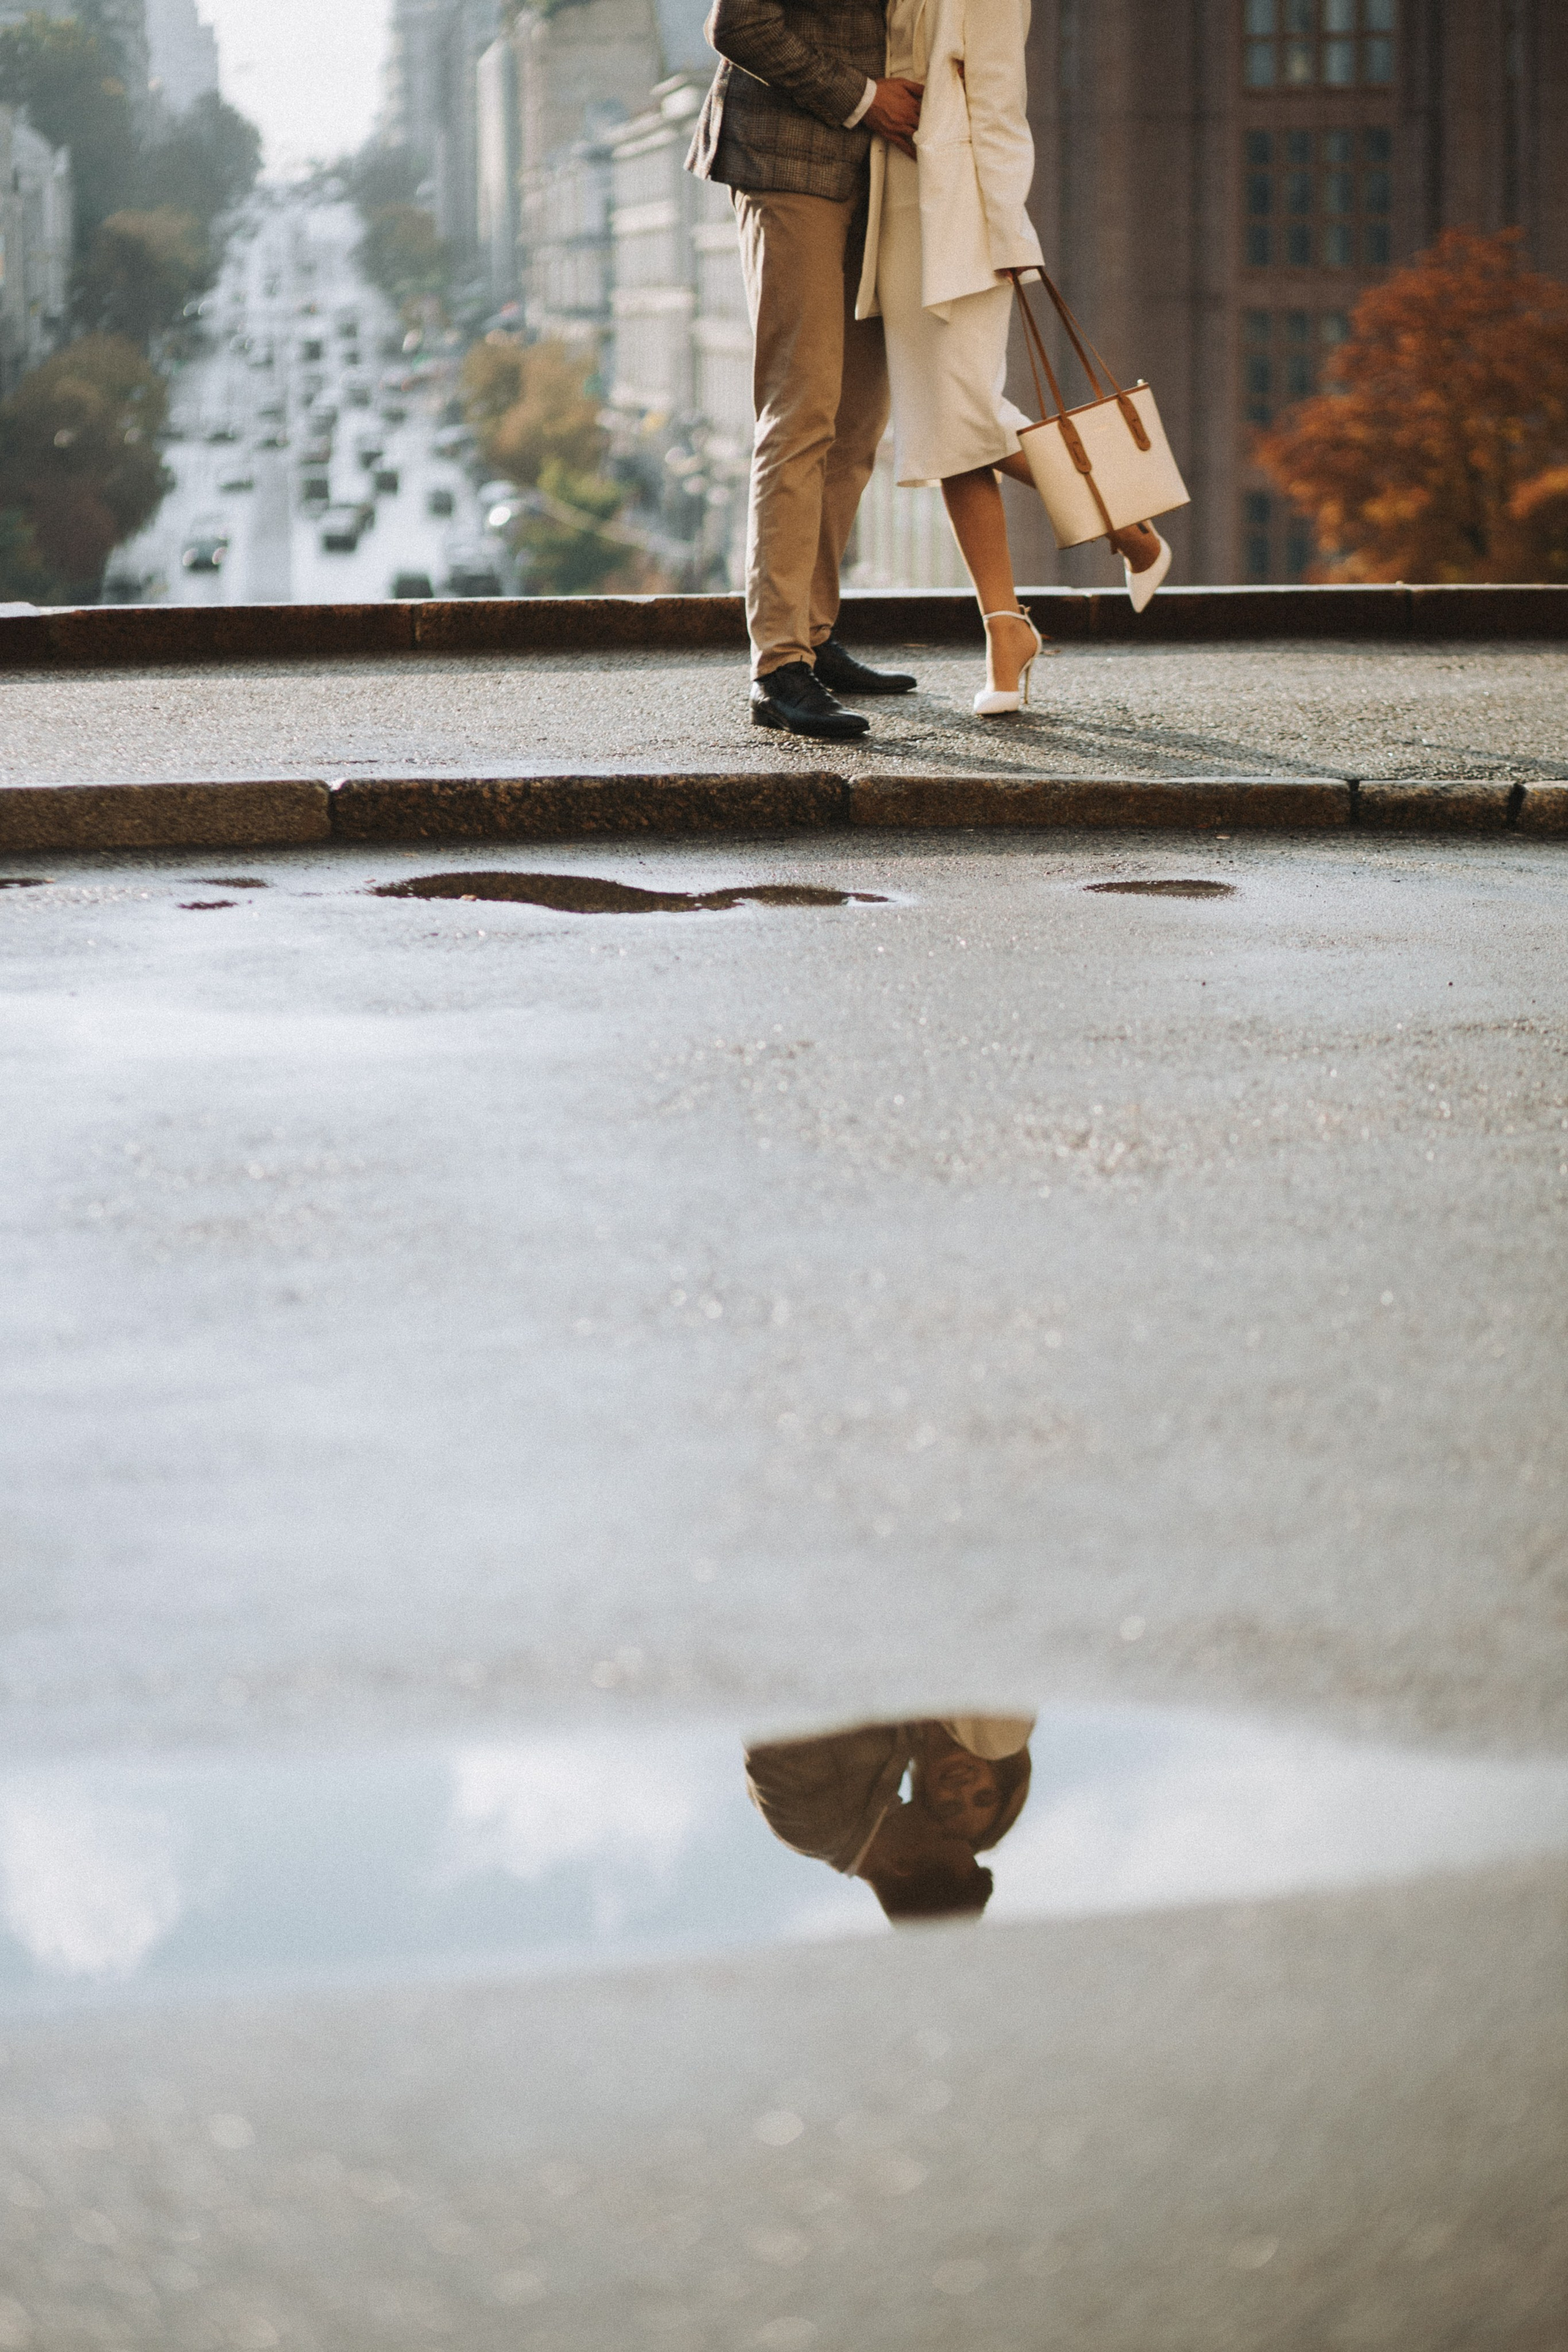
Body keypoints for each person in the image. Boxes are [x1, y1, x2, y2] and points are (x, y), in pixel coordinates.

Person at [853, 0, 1171, 715]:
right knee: (947, 433)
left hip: (960, 218)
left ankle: (1123, 527)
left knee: (963, 416)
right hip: (893, 210)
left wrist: (1006, 232)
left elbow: (999, 108)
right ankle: (1010, 624)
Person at [687, 0, 932, 741]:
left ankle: (814, 634)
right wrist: (863, 98)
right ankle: (778, 665)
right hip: (789, 161)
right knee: (800, 413)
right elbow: (738, 24)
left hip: (886, 175)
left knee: (857, 423)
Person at [744, 1715, 1033, 1922]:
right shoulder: (870, 1807)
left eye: (943, 1836)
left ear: (902, 1863)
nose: (939, 1821)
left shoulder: (813, 1822)